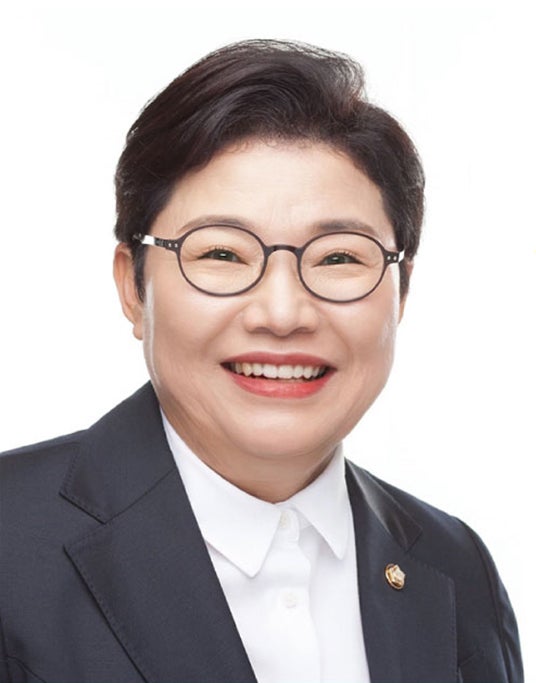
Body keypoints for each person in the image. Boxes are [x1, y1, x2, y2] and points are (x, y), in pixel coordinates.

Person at [0, 39, 523, 683]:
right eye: (222, 254)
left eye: (339, 257)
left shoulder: (458, 569)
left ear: (402, 291)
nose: (281, 313)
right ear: (133, 288)